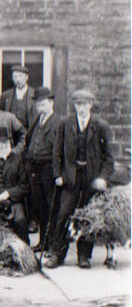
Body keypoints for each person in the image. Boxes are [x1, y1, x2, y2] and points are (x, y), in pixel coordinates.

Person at [47, 89, 114, 269]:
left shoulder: (101, 126)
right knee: (63, 214)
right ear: (74, 105)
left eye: (85, 104)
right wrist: (58, 174)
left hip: (91, 179)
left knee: (88, 217)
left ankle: (84, 255)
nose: (81, 108)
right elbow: (56, 152)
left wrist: (103, 178)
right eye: (78, 104)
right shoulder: (65, 123)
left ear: (90, 105)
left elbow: (109, 158)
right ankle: (57, 253)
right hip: (70, 177)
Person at [26, 87, 62, 253]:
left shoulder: (58, 122)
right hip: (35, 169)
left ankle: (53, 245)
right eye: (38, 104)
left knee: (51, 207)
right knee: (40, 206)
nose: (40, 107)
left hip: (49, 170)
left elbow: (59, 149)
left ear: (51, 103)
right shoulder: (36, 120)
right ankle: (43, 242)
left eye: (43, 104)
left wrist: (57, 173)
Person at [0, 65, 38, 132]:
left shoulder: (35, 94)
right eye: (15, 76)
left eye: (20, 76)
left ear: (26, 77)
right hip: (11, 133)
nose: (18, 79)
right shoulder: (6, 95)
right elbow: (1, 114)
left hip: (29, 132)